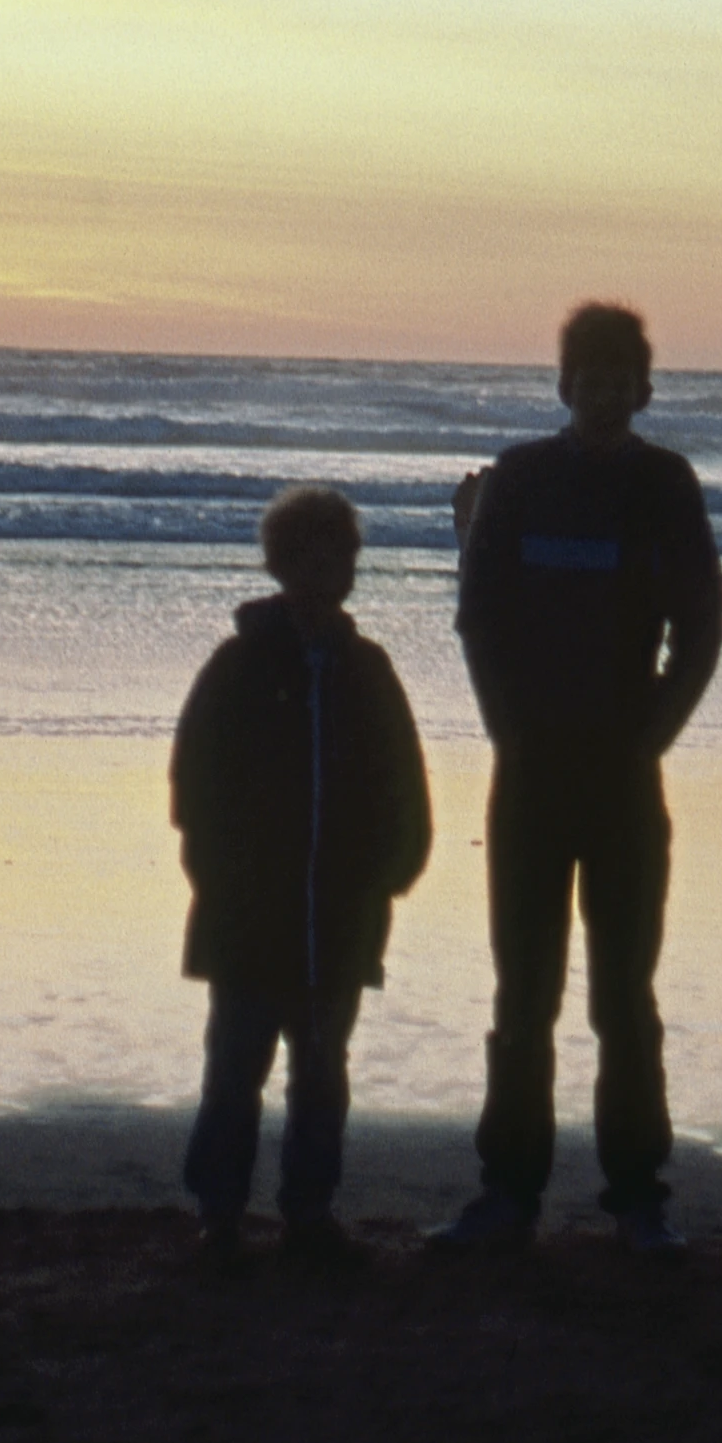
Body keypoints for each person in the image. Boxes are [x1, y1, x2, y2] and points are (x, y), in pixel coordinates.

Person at [432, 302, 722, 1259]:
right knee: (523, 995)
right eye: (585, 379)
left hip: (622, 775)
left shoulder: (664, 484)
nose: (602, 395)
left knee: (622, 998)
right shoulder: (521, 477)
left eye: (619, 381)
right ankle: (506, 1193)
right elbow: (478, 617)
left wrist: (654, 736)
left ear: (643, 390)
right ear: (563, 387)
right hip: (529, 772)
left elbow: (702, 629)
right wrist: (505, 731)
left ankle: (638, 1196)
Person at [170, 486, 433, 1271]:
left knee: (321, 1076)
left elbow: (403, 780)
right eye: (315, 554)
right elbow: (195, 777)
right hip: (248, 915)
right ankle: (219, 1213)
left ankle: (308, 1212)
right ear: (282, 564)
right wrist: (214, 872)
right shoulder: (239, 663)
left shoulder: (366, 668)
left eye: (344, 555)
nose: (332, 569)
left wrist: (395, 867)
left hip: (341, 914)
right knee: (233, 1070)